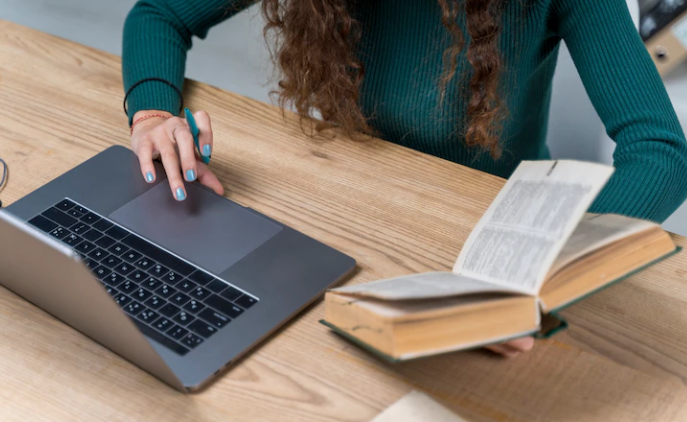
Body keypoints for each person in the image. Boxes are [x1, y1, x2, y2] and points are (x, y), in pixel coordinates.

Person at [122, 0, 687, 356]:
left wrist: (539, 275)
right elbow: (159, 14)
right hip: (343, 216)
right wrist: (153, 114)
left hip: (481, 240)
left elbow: (660, 150)